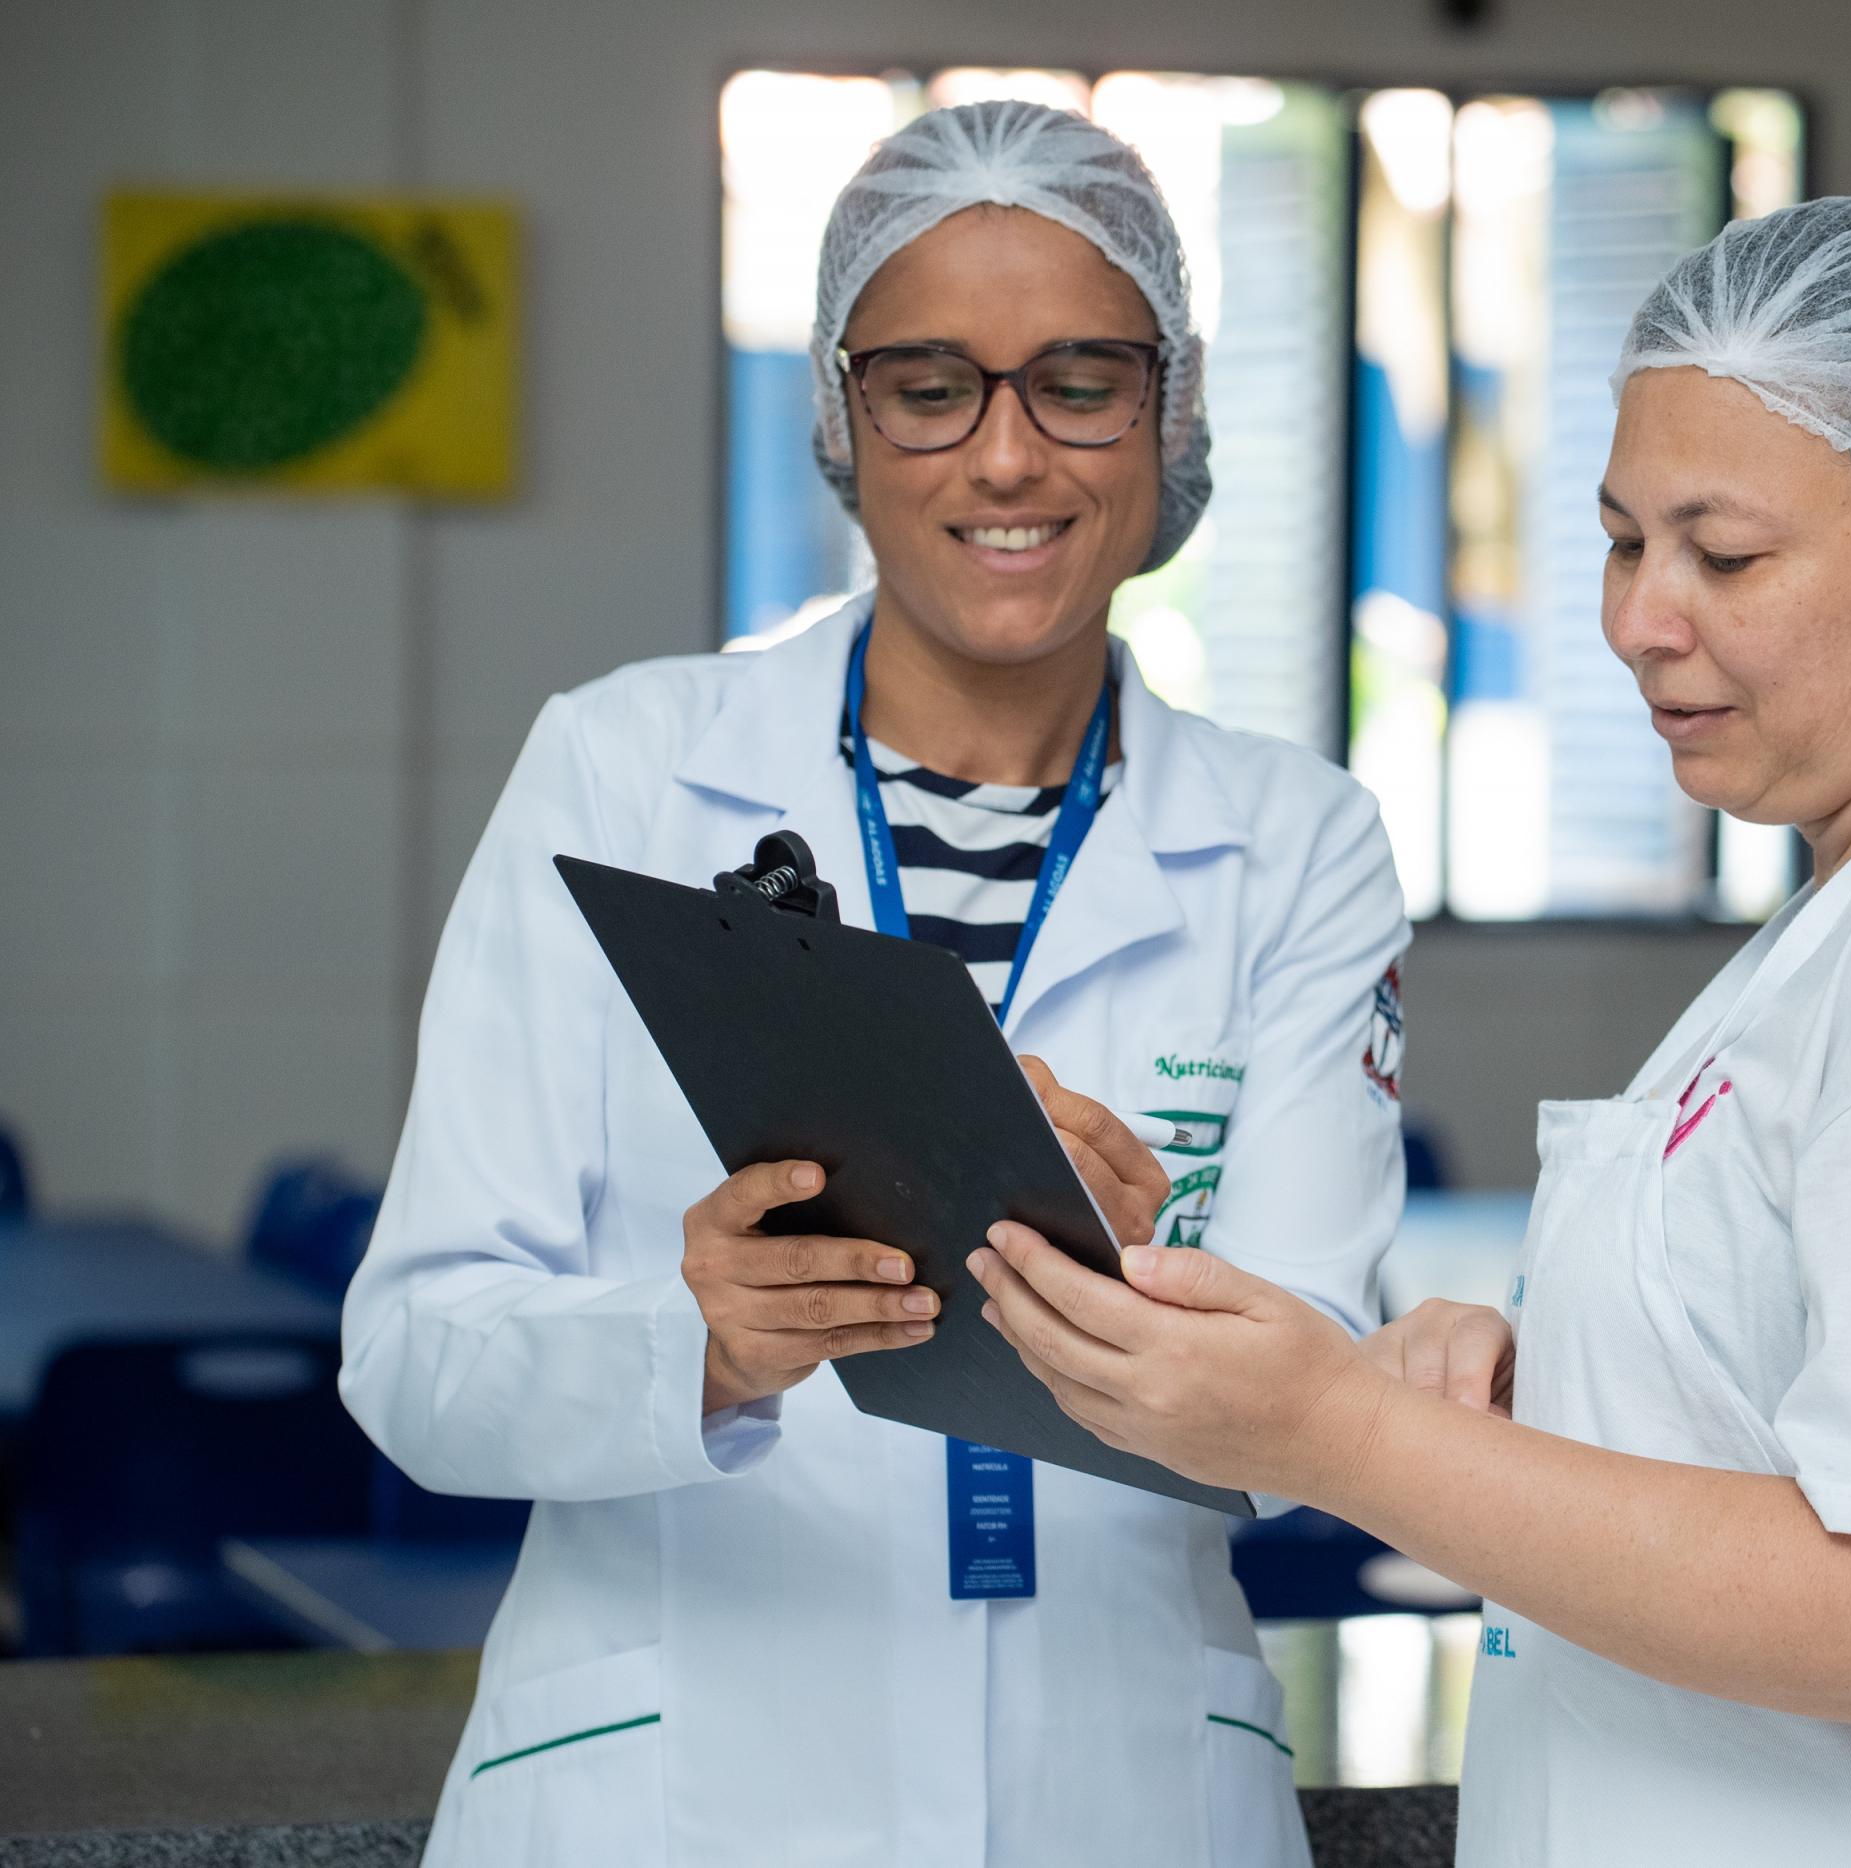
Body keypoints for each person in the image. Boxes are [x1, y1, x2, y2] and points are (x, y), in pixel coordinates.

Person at [971, 197, 1851, 1867]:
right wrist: (1538, 1396)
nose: (1640, 619)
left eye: (1724, 555)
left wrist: (1336, 1434)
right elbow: (1805, 1429)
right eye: (1622, 542)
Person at [341, 101, 1409, 1868]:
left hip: (1119, 1793)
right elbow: (415, 1362)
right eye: (930, 388)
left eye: (1081, 383)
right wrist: (703, 1345)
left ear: (1171, 412)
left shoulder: (1296, 842)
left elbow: (1321, 1436)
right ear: (844, 418)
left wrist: (1144, 1296)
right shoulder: (623, 769)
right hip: (684, 1801)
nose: (1008, 458)